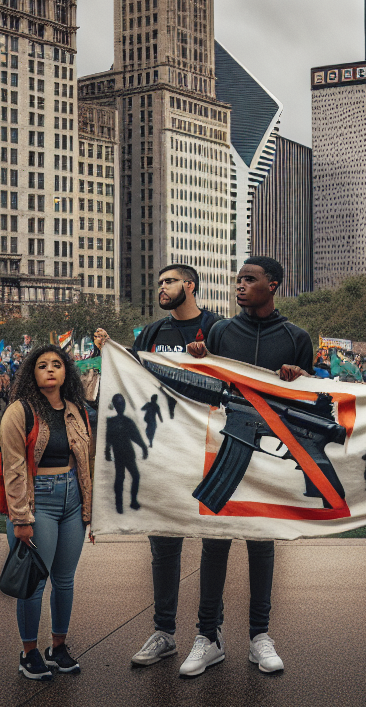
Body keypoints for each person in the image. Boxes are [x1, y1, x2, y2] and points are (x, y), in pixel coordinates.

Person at [180, 256, 312, 677]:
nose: (240, 286)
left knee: (261, 541)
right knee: (215, 541)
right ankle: (208, 636)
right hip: (225, 446)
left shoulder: (296, 337)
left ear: (273, 285)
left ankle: (260, 636)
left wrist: (299, 377)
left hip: (270, 451)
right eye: (238, 279)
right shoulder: (220, 331)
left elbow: (313, 397)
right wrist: (199, 360)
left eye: (250, 280)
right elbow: (206, 391)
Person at [94, 264, 224, 671]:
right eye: (159, 283)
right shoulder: (153, 333)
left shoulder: (218, 330)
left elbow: (232, 382)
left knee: (213, 541)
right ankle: (164, 631)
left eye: (168, 282)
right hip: (163, 452)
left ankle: (209, 634)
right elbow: (132, 380)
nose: (161, 288)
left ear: (190, 286)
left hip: (208, 450)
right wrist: (111, 352)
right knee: (164, 543)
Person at [1, 344, 94, 680]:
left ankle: (58, 647)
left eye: (57, 364)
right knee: (35, 583)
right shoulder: (20, 412)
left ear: (66, 370)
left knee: (65, 580)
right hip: (38, 500)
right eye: (43, 365)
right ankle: (29, 653)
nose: (51, 369)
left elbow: (88, 461)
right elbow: (13, 469)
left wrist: (89, 505)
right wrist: (21, 518)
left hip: (72, 501)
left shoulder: (76, 409)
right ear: (32, 372)